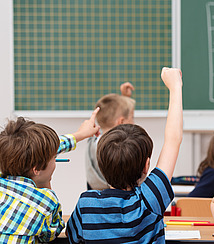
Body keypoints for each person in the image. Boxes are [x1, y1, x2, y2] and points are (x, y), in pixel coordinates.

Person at [66, 67, 183, 243]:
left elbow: (73, 238)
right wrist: (176, 87)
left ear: (102, 163)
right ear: (146, 165)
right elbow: (173, 140)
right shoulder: (149, 201)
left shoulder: (86, 205)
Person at [0, 109, 100, 243]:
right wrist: (46, 187)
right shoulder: (45, 201)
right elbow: (53, 232)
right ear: (36, 169)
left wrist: (80, 135)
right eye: (54, 158)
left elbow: (36, 150)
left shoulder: (7, 156)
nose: (55, 160)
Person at [86, 82, 135, 190]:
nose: (133, 122)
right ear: (121, 121)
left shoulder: (94, 141)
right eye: (132, 117)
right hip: (116, 203)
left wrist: (125, 98)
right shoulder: (115, 149)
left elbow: (120, 127)